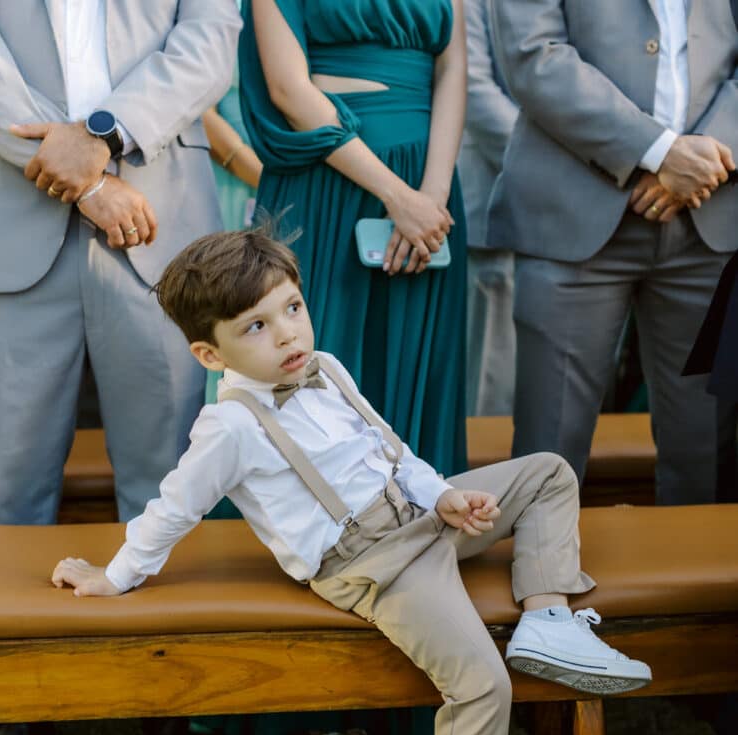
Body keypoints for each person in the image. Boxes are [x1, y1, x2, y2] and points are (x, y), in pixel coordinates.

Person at [51, 229, 652, 735]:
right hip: (372, 561)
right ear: (210, 354)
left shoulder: (326, 369)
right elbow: (174, 507)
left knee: (548, 472)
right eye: (256, 327)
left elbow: (393, 451)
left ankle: (548, 617)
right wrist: (115, 576)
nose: (287, 334)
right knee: (480, 684)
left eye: (291, 309)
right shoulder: (230, 425)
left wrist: (445, 497)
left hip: (421, 517)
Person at [0, 1, 242, 735]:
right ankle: (15, 697)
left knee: (168, 475)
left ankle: (166, 690)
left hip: (156, 210)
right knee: (12, 478)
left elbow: (207, 36)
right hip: (2, 201)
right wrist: (83, 177)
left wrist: (103, 134)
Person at [489, 0, 738, 504]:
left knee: (706, 452)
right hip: (571, 213)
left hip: (711, 216)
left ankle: (694, 560)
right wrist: (659, 151)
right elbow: (534, 54)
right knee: (550, 446)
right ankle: (540, 558)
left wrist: (704, 155)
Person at [239, 0, 468, 479]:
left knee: (416, 366)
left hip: (429, 192)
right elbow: (288, 88)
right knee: (315, 366)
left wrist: (433, 194)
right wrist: (397, 195)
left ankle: (424, 514)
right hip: (328, 181)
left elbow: (451, 68)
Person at [456, 0, 518, 416]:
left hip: (592, 218)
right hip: (496, 201)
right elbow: (473, 87)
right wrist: (560, 166)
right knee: (489, 381)